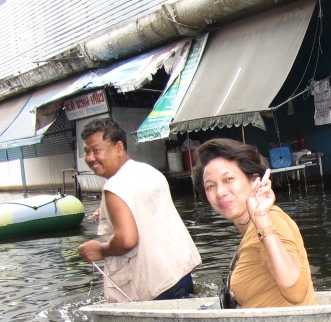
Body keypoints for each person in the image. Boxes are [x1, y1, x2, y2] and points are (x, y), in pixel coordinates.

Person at [77, 117, 201, 302]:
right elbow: (147, 211)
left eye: (96, 151)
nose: (90, 158)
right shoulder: (149, 172)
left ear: (119, 148)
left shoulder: (114, 187)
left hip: (154, 285)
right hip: (178, 273)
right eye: (87, 152)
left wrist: (100, 250)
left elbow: (127, 240)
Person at [193, 138, 315, 309]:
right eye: (210, 186)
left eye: (228, 179)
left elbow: (296, 291)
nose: (220, 192)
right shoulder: (251, 229)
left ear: (254, 180)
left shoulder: (270, 221)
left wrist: (262, 218)